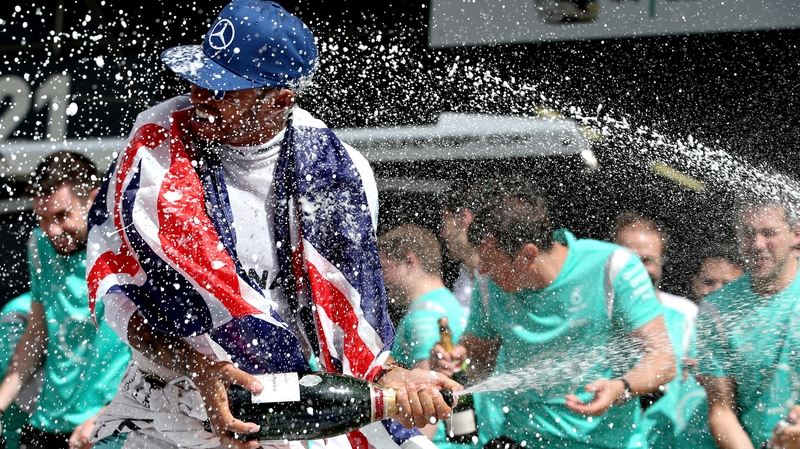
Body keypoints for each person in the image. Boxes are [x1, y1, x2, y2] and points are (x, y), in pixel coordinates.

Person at [85, 2, 458, 449]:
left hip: (282, 413)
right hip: (169, 413)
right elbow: (121, 302)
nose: (200, 95)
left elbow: (351, 330)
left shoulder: (344, 177)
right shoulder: (153, 152)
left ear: (280, 99)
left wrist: (396, 377)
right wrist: (200, 368)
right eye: (199, 78)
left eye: (223, 89)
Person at [431, 180, 675, 449]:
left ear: (528, 255)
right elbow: (476, 356)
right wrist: (454, 359)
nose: (482, 271)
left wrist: (621, 387)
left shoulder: (612, 266)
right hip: (522, 440)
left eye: (491, 262)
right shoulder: (488, 285)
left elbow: (664, 360)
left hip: (606, 443)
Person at [0, 151, 131, 449]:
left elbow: (153, 350)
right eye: (43, 218)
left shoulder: (125, 247)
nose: (52, 229)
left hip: (106, 423)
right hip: (49, 419)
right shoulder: (40, 244)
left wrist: (109, 414)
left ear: (94, 199)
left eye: (61, 215)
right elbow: (36, 334)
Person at [696, 197, 800, 449]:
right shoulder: (717, 309)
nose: (757, 244)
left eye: (769, 233)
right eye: (748, 233)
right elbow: (722, 412)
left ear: (796, 234)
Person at [610, 211, 714, 448]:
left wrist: (702, 372)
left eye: (647, 260)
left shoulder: (685, 313)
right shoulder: (594, 312)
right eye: (629, 259)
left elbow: (708, 377)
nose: (638, 269)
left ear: (661, 262)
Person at [378, 223, 469, 446]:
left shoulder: (422, 319)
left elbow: (428, 411)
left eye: (384, 268)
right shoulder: (447, 302)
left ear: (409, 261)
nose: (381, 280)